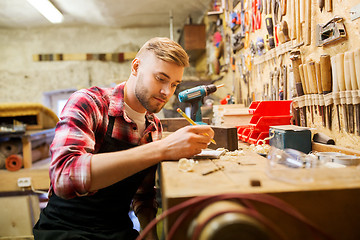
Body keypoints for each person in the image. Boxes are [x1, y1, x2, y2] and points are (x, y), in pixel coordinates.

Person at [33, 37, 214, 240]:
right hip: (66, 230)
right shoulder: (89, 103)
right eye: (161, 79)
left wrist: (149, 232)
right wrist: (162, 149)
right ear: (136, 67)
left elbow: (142, 196)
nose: (167, 92)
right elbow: (65, 177)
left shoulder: (153, 127)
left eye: (174, 84)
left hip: (117, 231)